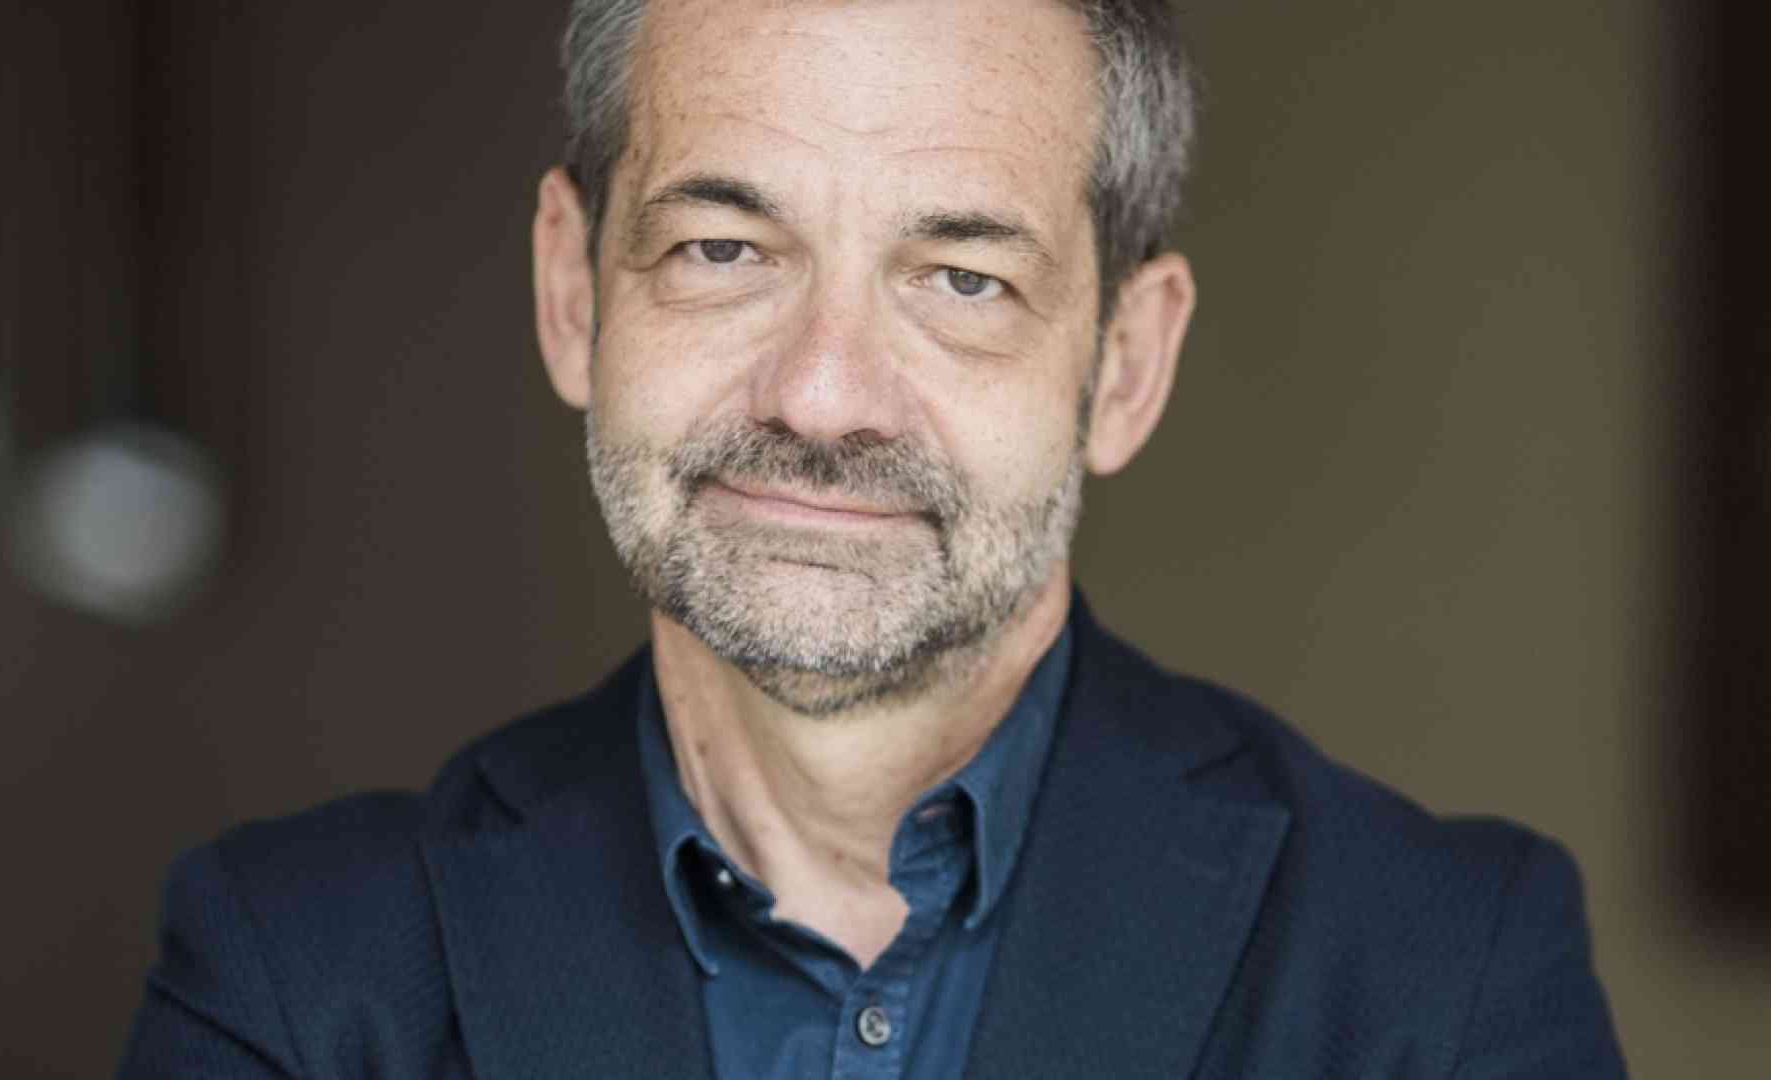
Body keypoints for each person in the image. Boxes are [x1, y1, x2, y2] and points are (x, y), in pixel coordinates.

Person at [118, 0, 1626, 1075]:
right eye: (723, 248)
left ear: (1125, 364)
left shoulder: (1443, 980)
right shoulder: (292, 977)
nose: (824, 395)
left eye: (962, 279)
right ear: (574, 292)